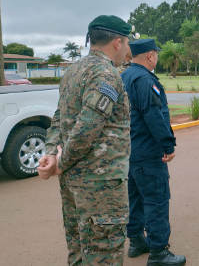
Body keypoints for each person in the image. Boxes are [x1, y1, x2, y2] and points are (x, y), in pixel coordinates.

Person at [37, 15, 134, 266]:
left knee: (79, 250)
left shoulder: (72, 71)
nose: (126, 49)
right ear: (117, 42)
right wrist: (60, 162)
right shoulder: (106, 74)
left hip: (73, 183)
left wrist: (50, 151)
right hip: (100, 184)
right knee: (103, 253)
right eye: (126, 43)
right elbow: (87, 127)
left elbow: (59, 117)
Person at [121, 39, 186, 266]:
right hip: (147, 152)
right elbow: (153, 115)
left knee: (135, 198)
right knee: (156, 200)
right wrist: (168, 145)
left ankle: (137, 241)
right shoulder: (145, 80)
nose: (157, 57)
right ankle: (158, 252)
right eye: (156, 54)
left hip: (129, 151)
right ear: (150, 55)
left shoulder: (125, 76)